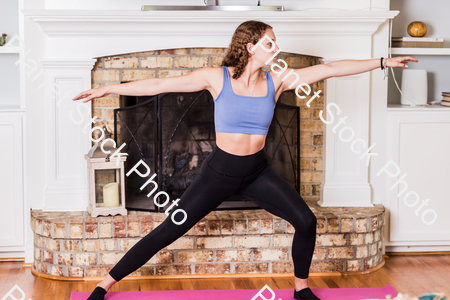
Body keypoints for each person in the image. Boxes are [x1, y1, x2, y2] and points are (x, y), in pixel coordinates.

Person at [72, 20, 418, 300]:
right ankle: (105, 283)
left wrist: (384, 62)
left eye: (275, 41)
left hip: (256, 172)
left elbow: (329, 69)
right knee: (169, 230)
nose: (276, 47)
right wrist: (107, 90)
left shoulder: (277, 80)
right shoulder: (216, 77)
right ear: (250, 47)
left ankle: (300, 288)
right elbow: (162, 82)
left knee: (306, 221)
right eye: (270, 42)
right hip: (218, 174)